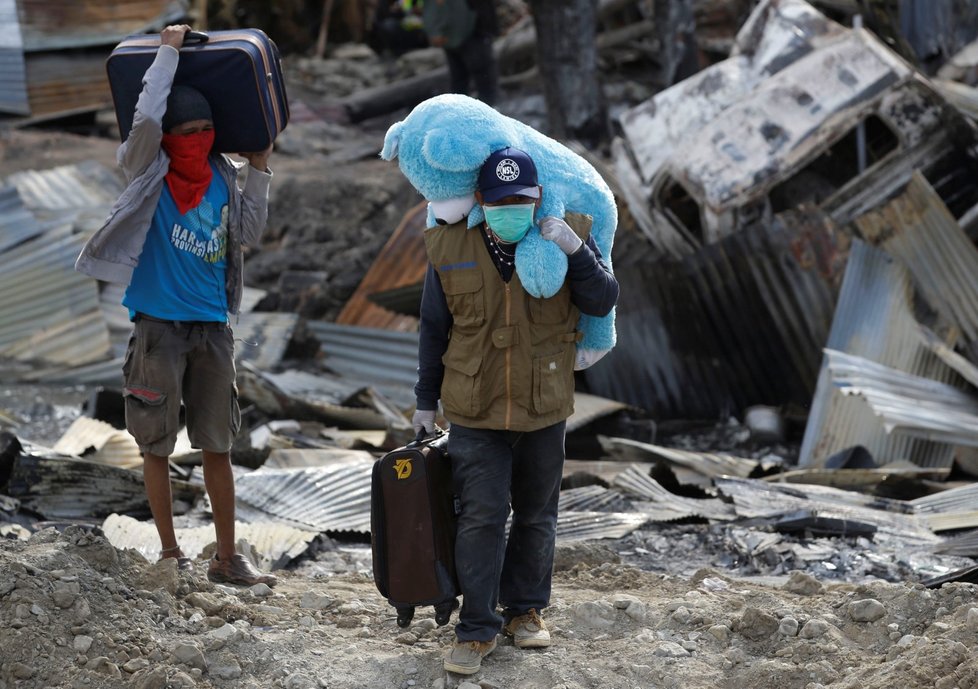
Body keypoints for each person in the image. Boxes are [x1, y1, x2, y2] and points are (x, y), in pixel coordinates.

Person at [75, 24, 276, 587]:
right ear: (168, 137)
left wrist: (258, 169)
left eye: (207, 130)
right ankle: (170, 555)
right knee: (156, 446)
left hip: (212, 329)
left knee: (218, 445)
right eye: (186, 130)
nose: (198, 138)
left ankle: (227, 559)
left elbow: (251, 233)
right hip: (159, 329)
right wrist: (165, 53)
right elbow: (144, 121)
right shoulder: (149, 171)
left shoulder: (224, 178)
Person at [411, 147, 619, 674]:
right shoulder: (449, 245)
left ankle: (524, 613)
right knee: (480, 517)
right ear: (481, 200)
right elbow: (434, 328)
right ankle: (476, 629)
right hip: (474, 409)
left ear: (538, 198)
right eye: (500, 200)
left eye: (521, 200)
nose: (511, 208)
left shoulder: (566, 235)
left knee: (536, 517)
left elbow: (602, 301)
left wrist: (577, 251)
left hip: (543, 406)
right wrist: (423, 400)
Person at [423, 0, 499, 104]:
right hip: (465, 32)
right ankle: (469, 110)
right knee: (465, 77)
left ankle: (487, 108)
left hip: (471, 29)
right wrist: (436, 31)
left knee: (473, 77)